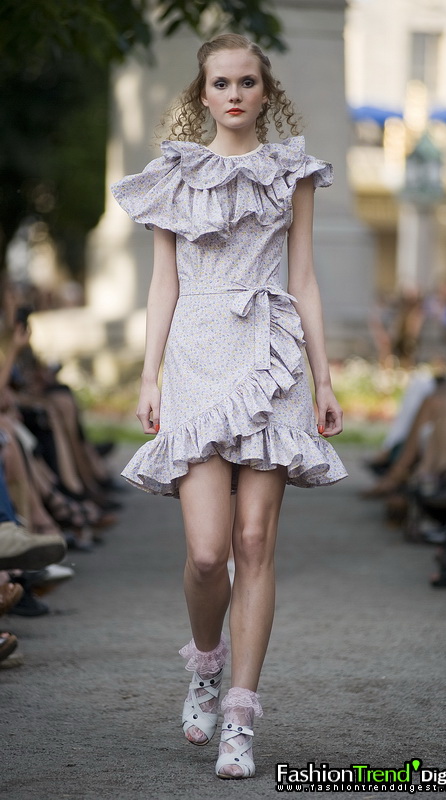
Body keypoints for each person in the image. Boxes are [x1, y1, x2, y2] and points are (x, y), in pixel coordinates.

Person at [112, 33, 347, 780]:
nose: (235, 93)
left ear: (266, 91)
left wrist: (324, 378)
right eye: (221, 82)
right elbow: (163, 283)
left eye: (248, 81)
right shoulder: (173, 174)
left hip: (271, 356)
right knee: (208, 552)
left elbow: (303, 279)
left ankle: (240, 718)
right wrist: (149, 376)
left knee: (254, 542)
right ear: (203, 93)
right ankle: (207, 664)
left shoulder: (292, 172)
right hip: (195, 357)